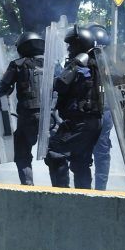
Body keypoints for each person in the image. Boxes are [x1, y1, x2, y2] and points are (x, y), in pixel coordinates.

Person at [44, 25, 102, 189]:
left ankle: (62, 195)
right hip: (94, 122)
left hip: (79, 122)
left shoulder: (77, 65)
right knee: (80, 161)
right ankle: (84, 198)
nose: (69, 49)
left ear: (79, 45)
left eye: (71, 45)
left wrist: (52, 79)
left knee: (54, 153)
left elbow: (60, 84)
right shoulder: (97, 64)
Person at [0, 31, 45, 185]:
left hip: (28, 117)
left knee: (22, 153)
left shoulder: (18, 65)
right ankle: (62, 190)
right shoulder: (52, 64)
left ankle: (28, 188)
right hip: (50, 118)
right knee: (55, 156)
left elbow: (1, 89)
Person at [88, 23, 113, 190]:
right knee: (102, 153)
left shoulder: (82, 62)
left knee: (82, 154)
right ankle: (100, 190)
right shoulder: (112, 63)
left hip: (90, 114)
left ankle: (85, 190)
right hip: (105, 113)